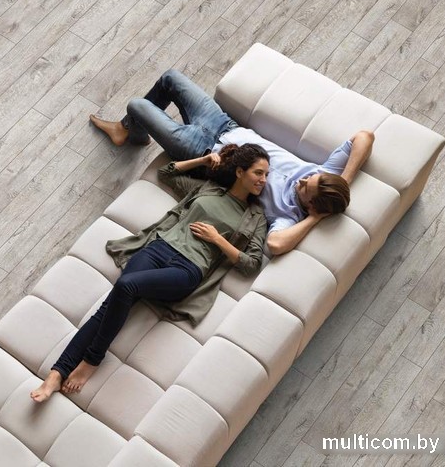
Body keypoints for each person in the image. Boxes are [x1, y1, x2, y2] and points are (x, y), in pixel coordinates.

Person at [30, 144, 270, 402]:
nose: (263, 180)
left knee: (125, 286)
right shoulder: (209, 188)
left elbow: (251, 263)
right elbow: (166, 173)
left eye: (266, 175)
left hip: (188, 269)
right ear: (239, 172)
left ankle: (92, 360)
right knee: (109, 305)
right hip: (158, 248)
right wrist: (202, 161)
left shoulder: (256, 218)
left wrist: (218, 239)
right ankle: (56, 373)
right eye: (258, 173)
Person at [90, 69, 375, 256]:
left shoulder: (287, 216)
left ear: (311, 206)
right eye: (309, 178)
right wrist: (345, 180)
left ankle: (128, 128)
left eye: (304, 189)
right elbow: (365, 137)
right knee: (170, 79)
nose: (302, 179)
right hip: (225, 125)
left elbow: (275, 245)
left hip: (202, 152)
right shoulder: (324, 175)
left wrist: (314, 219)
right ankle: (129, 131)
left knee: (137, 105)